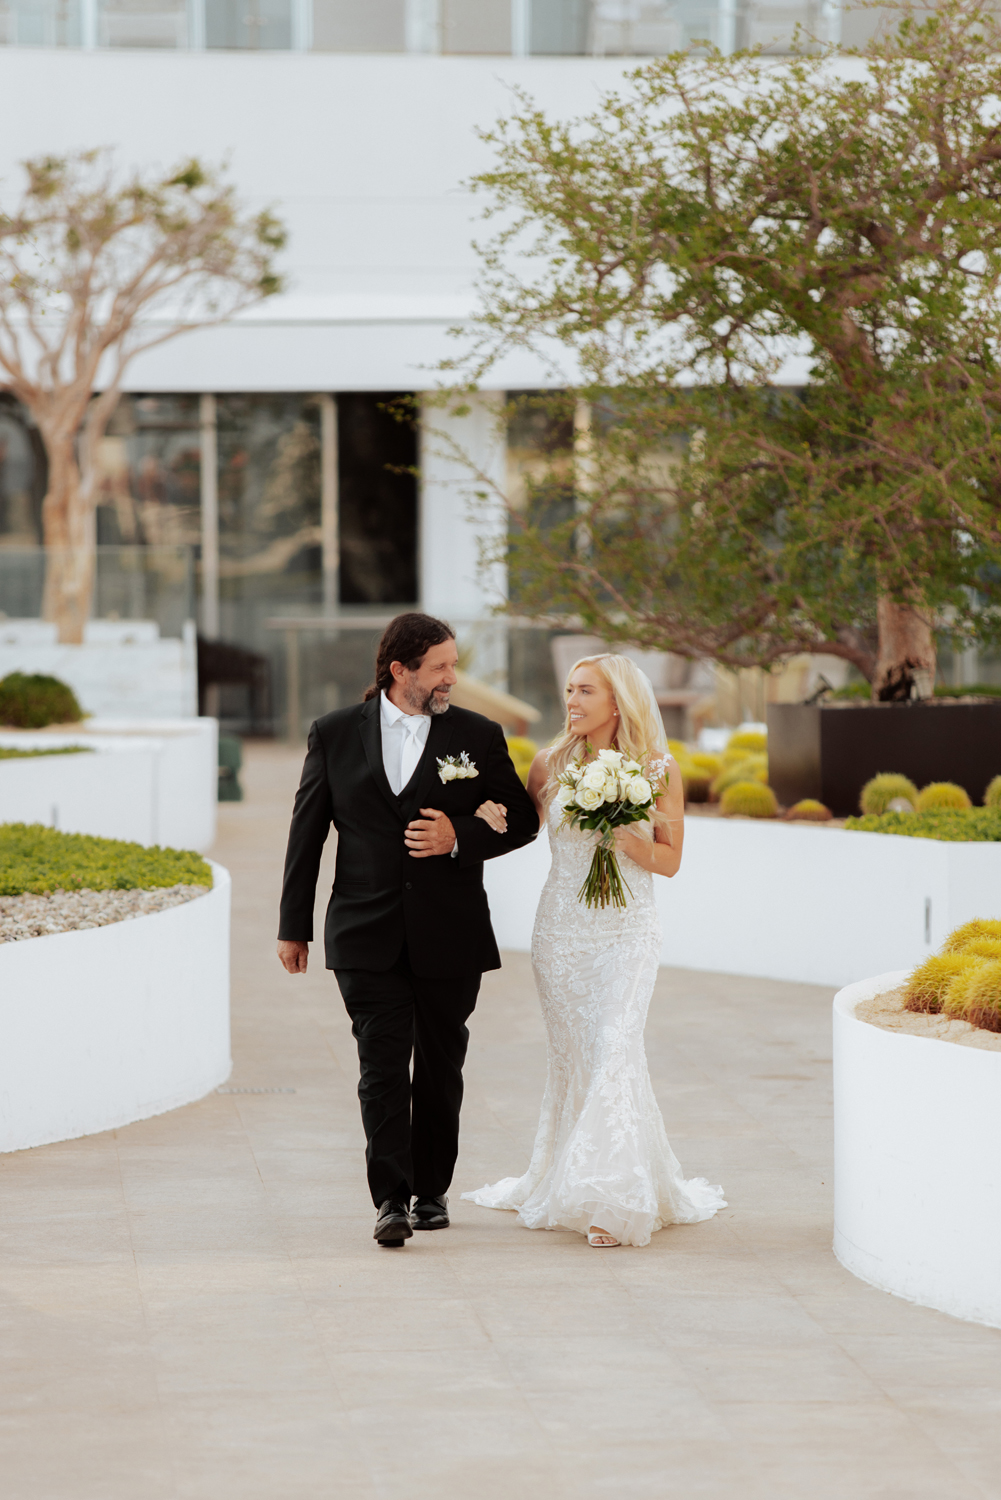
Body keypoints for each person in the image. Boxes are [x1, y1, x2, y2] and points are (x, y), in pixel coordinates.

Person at [276, 613, 538, 1247]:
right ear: (401, 670)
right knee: (382, 1066)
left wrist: (459, 836)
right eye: (440, 666)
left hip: (451, 931)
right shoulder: (335, 733)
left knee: (441, 1067)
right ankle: (390, 1199)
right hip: (364, 931)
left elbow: (524, 819)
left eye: (453, 664)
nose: (452, 677)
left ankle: (431, 1190)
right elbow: (306, 834)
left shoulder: (476, 734)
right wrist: (294, 926)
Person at [463, 653, 726, 1248]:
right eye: (569, 690)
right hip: (561, 934)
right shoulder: (549, 763)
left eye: (585, 691)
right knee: (578, 1058)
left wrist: (625, 835)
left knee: (614, 1046)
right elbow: (519, 828)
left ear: (617, 701)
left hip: (628, 932)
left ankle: (614, 1197)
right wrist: (479, 811)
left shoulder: (657, 769)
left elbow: (670, 862)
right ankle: (574, 1176)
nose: (572, 701)